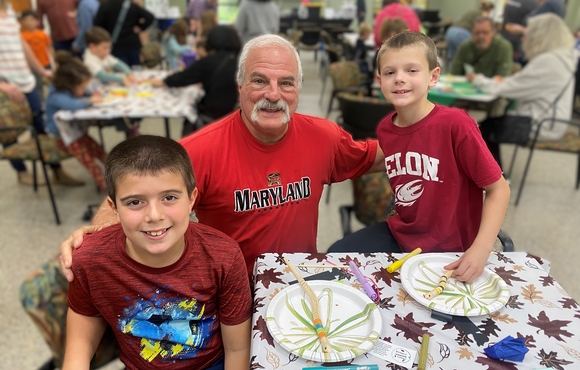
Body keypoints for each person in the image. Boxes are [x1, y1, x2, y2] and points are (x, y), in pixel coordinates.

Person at [20, 33, 384, 368]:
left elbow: (377, 156)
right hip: (220, 298)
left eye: (285, 83)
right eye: (259, 80)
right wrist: (96, 232)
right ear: (240, 85)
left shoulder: (324, 137)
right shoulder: (203, 149)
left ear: (298, 89)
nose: (273, 93)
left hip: (294, 286)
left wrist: (431, 132)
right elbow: (142, 186)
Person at [329, 31, 511, 284]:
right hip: (402, 235)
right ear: (379, 80)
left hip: (451, 246)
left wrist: (480, 249)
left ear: (433, 77)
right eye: (390, 72)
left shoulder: (455, 124)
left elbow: (498, 189)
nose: (400, 79)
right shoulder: (385, 128)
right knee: (335, 258)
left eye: (412, 70)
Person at [62, 135, 252, 369]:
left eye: (169, 197)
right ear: (114, 208)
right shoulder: (90, 260)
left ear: (191, 199)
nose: (154, 215)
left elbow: (238, 348)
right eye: (134, 202)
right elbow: (81, 334)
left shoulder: (224, 256)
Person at [468, 13, 577, 169]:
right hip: (553, 121)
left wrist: (478, 79)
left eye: (528, 35)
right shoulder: (563, 58)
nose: (523, 40)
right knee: (489, 125)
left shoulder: (548, 61)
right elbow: (518, 84)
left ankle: (496, 179)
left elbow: (507, 89)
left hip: (539, 124)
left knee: (481, 130)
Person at [0, 0, 83, 187]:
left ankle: (57, 172)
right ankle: (22, 173)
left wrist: (41, 70)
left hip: (25, 79)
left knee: (40, 125)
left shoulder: (9, 9)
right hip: (5, 85)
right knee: (10, 131)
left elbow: (20, 43)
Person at [151, 25, 241, 136]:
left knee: (188, 124)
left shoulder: (209, 61)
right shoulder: (243, 60)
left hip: (212, 114)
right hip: (237, 115)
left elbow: (184, 77)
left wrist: (164, 81)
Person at [46, 51, 108, 191]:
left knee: (97, 149)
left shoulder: (67, 88)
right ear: (68, 84)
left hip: (75, 133)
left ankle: (119, 174)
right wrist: (90, 99)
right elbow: (71, 105)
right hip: (61, 137)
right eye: (80, 87)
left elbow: (83, 92)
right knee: (89, 160)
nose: (83, 90)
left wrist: (90, 93)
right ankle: (108, 188)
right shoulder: (56, 95)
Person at [93, 0, 155, 66]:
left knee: (120, 71)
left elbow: (97, 26)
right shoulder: (131, 6)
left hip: (115, 45)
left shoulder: (105, 6)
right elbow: (150, 17)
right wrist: (140, 27)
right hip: (133, 44)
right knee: (136, 71)